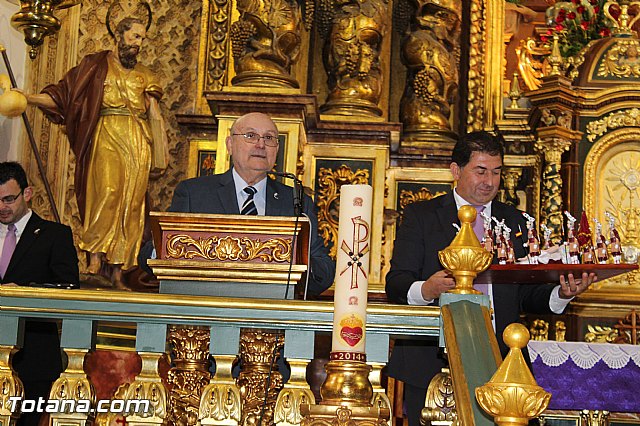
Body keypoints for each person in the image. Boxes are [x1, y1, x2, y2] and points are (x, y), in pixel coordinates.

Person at [385, 131, 597, 426]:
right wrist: (428, 289)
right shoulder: (422, 215)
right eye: (480, 171)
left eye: (497, 172)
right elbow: (395, 283)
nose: (489, 182)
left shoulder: (516, 221)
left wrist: (562, 293)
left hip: (504, 360)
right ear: (456, 170)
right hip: (432, 363)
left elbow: (525, 293)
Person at [24, 16, 168, 290]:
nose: (139, 43)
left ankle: (117, 271)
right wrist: (28, 98)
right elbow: (65, 97)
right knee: (107, 192)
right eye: (135, 36)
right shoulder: (95, 66)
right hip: (106, 133)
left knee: (131, 203)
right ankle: (93, 259)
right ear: (120, 34)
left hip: (137, 140)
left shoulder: (146, 76)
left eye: (142, 38)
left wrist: (159, 152)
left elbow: (155, 115)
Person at [139, 112, 335, 297]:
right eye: (251, 135)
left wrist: (295, 259)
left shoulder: (296, 202)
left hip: (271, 317)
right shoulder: (194, 194)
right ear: (230, 144)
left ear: (276, 148)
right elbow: (148, 256)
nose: (260, 144)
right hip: (205, 314)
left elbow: (323, 272)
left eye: (269, 138)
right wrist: (172, 247)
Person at [0, 161, 79, 426]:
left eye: (8, 199)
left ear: (28, 194)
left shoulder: (54, 236)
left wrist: (24, 292)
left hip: (32, 358)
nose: (1, 207)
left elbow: (68, 288)